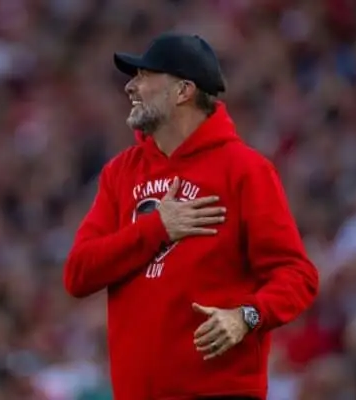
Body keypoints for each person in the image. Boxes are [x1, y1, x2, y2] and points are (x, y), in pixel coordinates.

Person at [62, 32, 319, 400]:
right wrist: (157, 228)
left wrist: (247, 316)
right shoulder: (120, 174)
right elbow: (78, 274)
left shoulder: (245, 171)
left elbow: (298, 275)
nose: (130, 87)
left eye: (144, 76)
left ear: (183, 91)